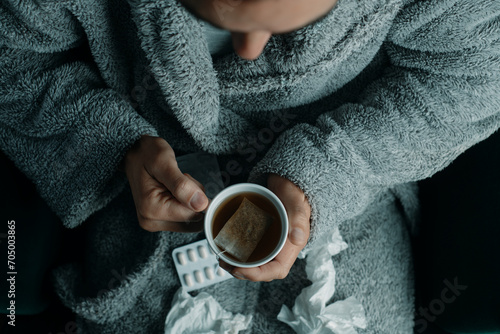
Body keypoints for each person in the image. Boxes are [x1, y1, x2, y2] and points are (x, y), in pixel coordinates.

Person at [1, 0, 499, 332]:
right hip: (140, 193)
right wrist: (112, 149)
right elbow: (13, 62)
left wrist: (332, 167)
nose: (247, 50)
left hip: (351, 186)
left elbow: (476, 73)